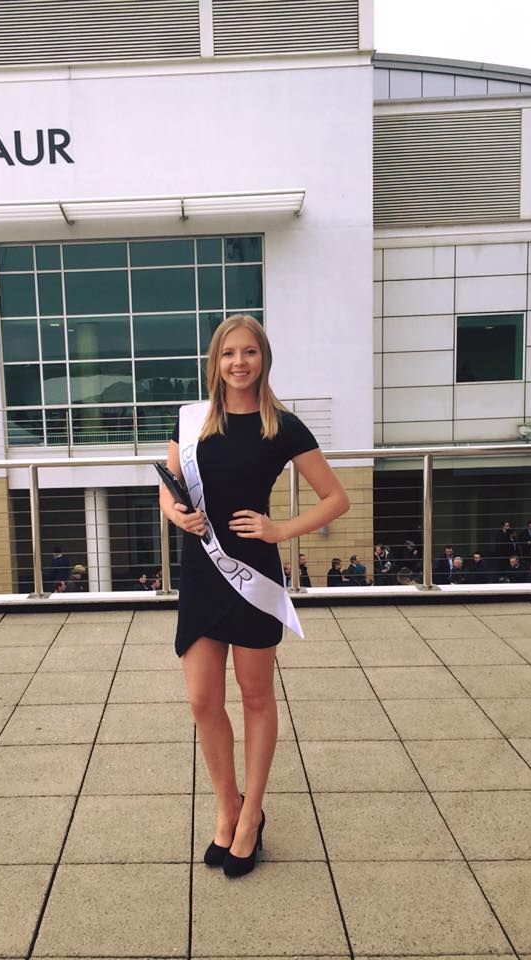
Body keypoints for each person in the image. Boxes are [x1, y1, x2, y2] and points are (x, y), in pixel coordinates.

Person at [160, 313, 348, 877]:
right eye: (228, 353)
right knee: (202, 701)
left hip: (253, 575)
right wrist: (178, 516)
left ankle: (251, 816)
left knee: (256, 696)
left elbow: (336, 498)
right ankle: (227, 806)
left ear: (263, 358)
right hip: (202, 571)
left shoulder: (282, 426)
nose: (238, 362)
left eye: (248, 352)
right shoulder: (192, 421)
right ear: (215, 362)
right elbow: (168, 490)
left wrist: (279, 529)